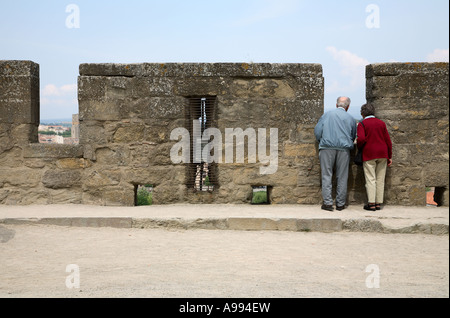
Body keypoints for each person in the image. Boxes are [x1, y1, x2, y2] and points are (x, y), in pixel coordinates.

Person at [314, 97, 357, 212]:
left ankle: (328, 203)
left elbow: (318, 131)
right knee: (342, 176)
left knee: (326, 175)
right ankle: (340, 204)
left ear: (336, 104)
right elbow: (353, 135)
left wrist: (322, 141)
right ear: (347, 107)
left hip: (327, 147)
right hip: (344, 149)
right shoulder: (351, 118)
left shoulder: (327, 115)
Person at [357, 103, 393, 211]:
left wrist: (360, 148)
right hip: (383, 153)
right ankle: (378, 203)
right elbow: (388, 141)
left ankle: (371, 203)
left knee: (370, 179)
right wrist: (389, 156)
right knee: (380, 179)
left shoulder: (362, 124)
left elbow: (361, 139)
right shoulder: (381, 123)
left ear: (362, 114)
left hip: (369, 153)